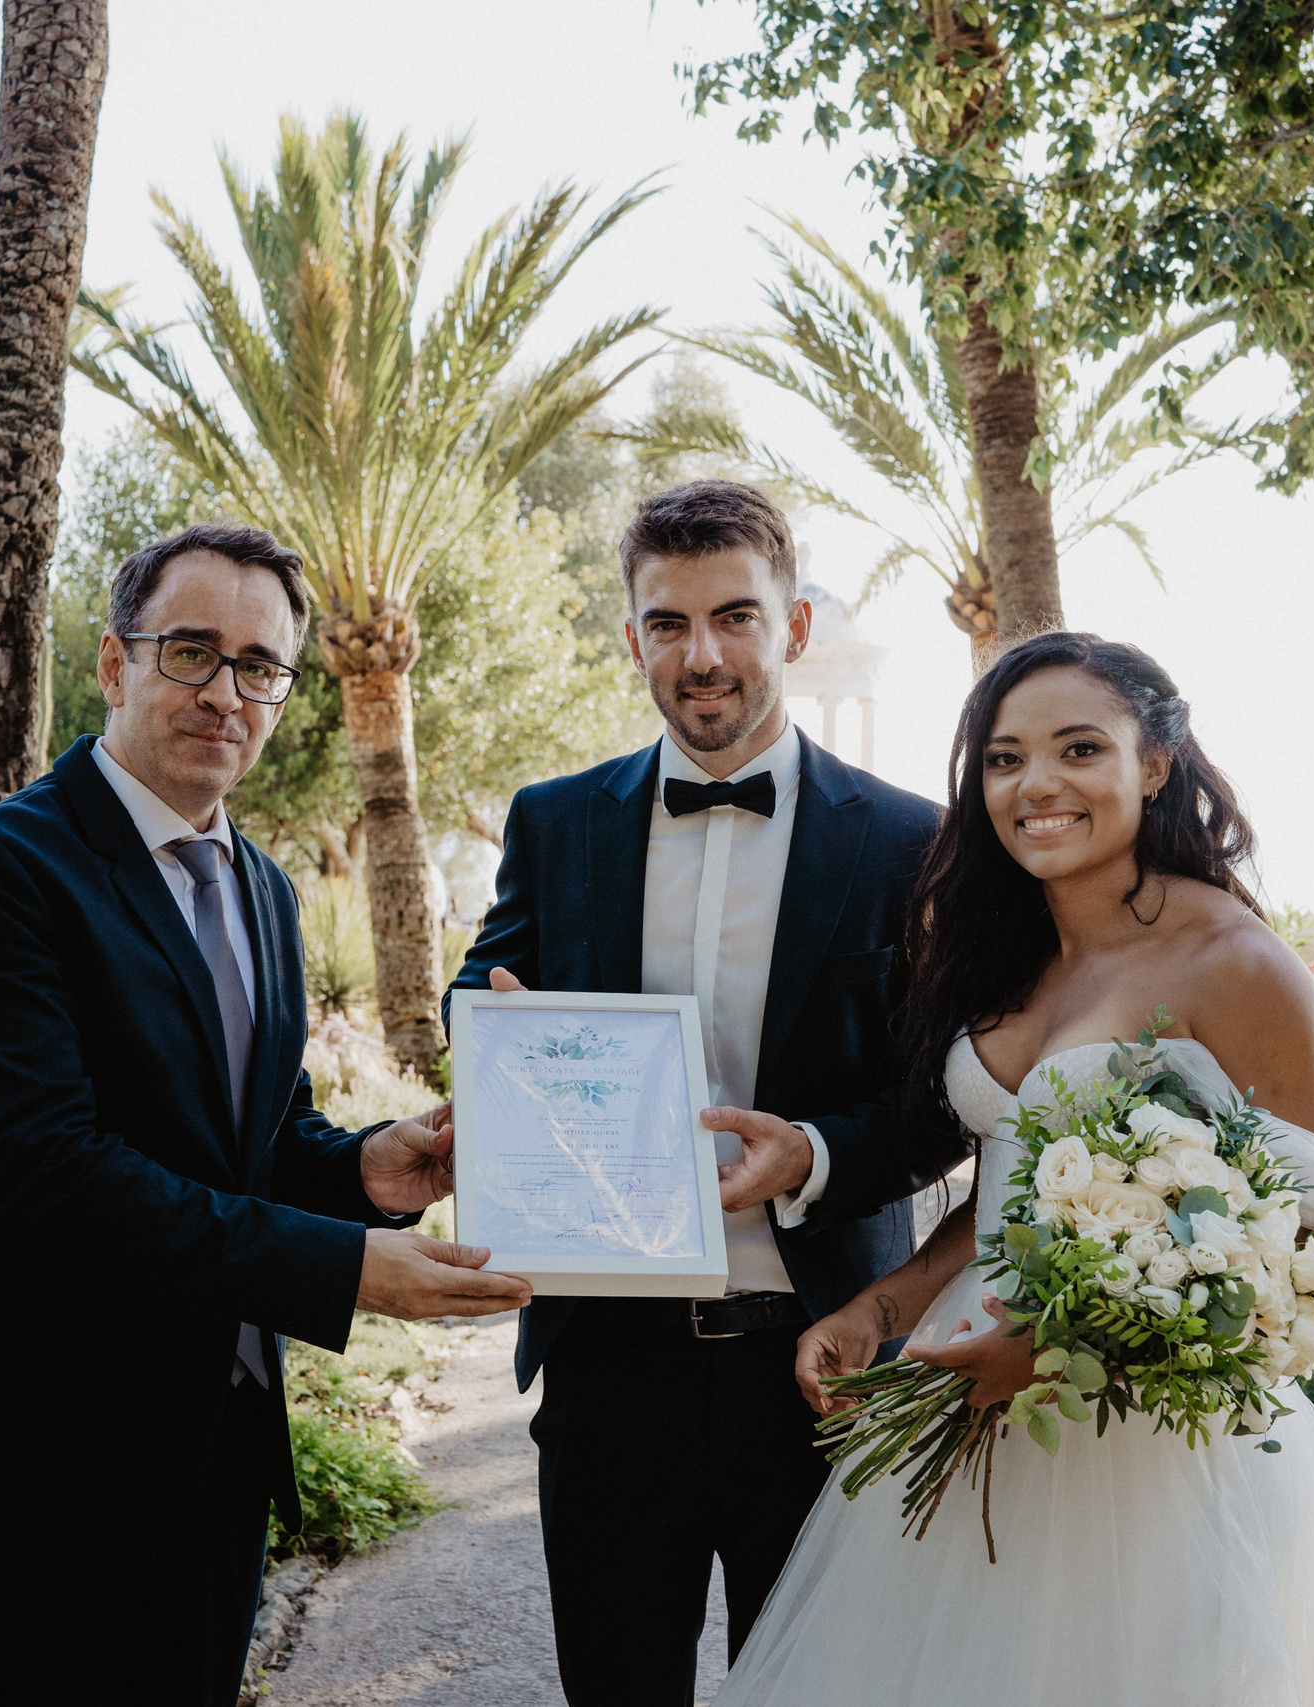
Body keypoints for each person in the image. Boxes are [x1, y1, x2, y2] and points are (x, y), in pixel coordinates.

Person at [711, 633, 1314, 1707]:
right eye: (1004, 759)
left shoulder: (1233, 963)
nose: (1035, 785)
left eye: (1076, 749)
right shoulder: (1003, 950)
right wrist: (882, 1306)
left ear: (1152, 764)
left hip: (1144, 1444)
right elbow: (1007, 1181)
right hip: (971, 1379)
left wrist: (1066, 1344)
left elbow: (1302, 1239)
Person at [0, 523, 533, 1706]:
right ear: (114, 664)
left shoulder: (263, 886)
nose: (225, 692)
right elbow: (50, 1175)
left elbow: (258, 1139)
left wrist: (366, 1173)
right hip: (30, 1479)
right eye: (191, 651)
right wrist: (345, 1270)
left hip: (218, 1460)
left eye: (259, 665)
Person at [448, 480, 959, 1706]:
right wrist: (499, 1038)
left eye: (734, 616)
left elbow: (955, 1096)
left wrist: (818, 1156)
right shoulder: (555, 820)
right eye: (667, 624)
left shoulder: (909, 837)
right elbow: (480, 995)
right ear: (631, 640)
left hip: (825, 1356)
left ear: (791, 627)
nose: (702, 655)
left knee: (816, 1691)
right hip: (611, 1363)